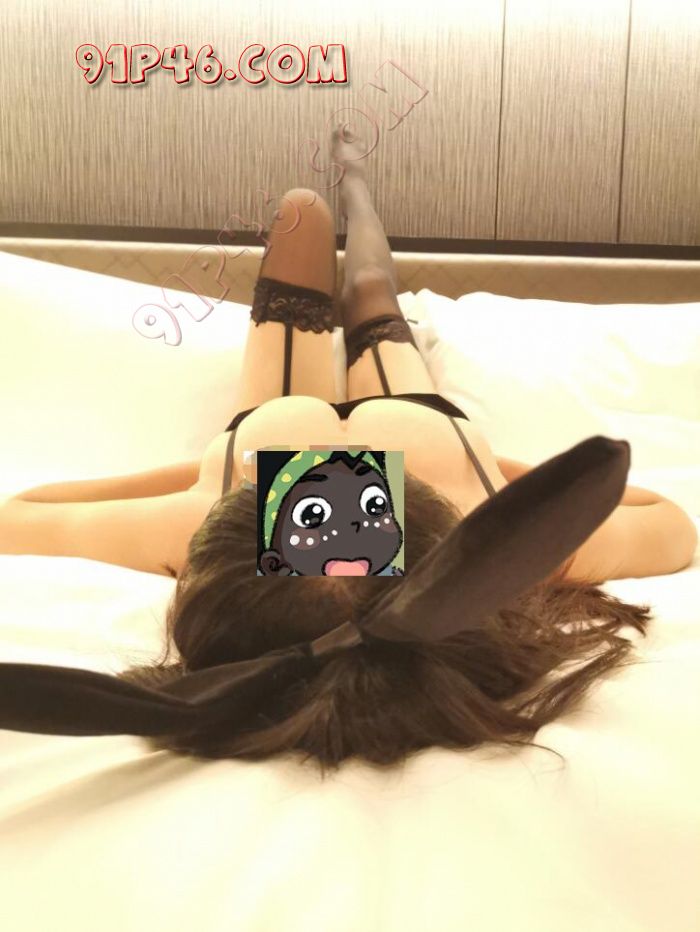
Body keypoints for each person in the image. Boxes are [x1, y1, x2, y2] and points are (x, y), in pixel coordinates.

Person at [0, 126, 696, 774]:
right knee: (369, 293)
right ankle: (357, 181)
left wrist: (212, 475)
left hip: (268, 430)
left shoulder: (200, 521)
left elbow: (18, 515)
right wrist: (493, 473)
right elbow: (671, 523)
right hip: (408, 417)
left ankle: (348, 180)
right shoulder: (493, 533)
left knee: (300, 215)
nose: (338, 477)